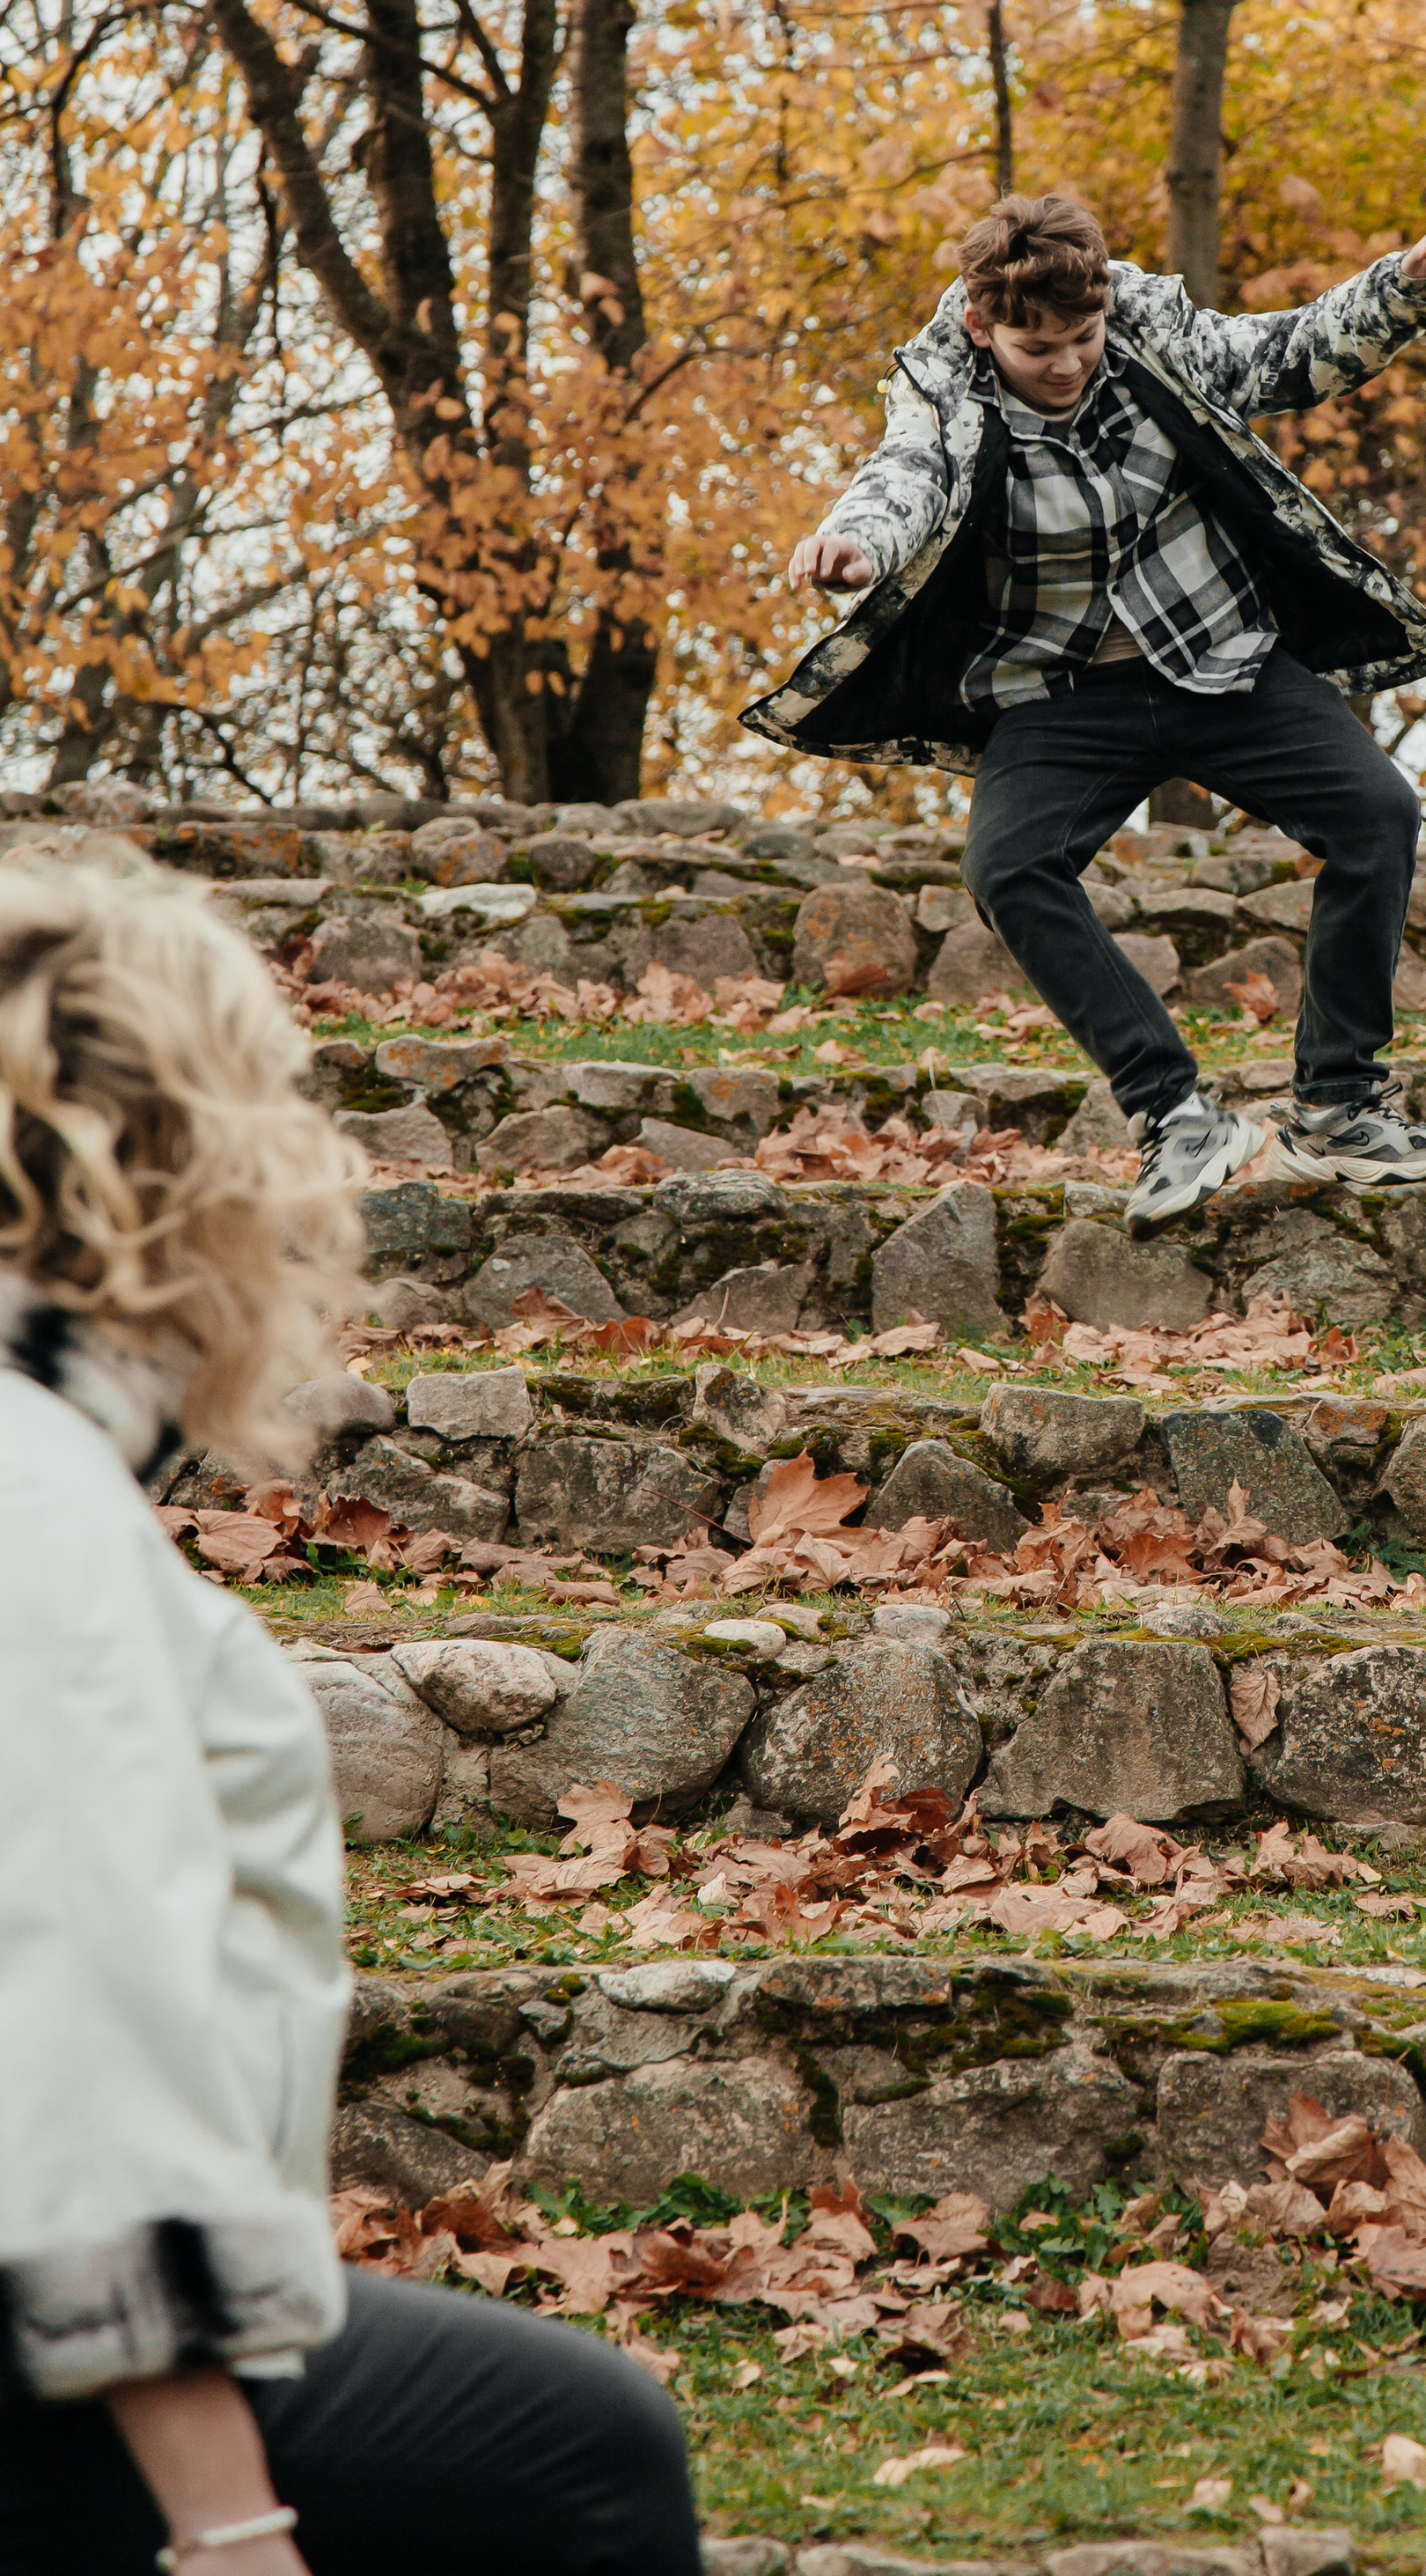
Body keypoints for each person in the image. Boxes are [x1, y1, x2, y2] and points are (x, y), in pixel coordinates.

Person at [0, 854, 702, 2576]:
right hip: (42, 2338)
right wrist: (227, 2522)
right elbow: (73, 2012)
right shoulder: (36, 1490)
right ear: (179, 1158)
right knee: (581, 2452)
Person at [751, 192, 1426, 1230]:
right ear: (982, 326)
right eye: (1035, 345)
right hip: (1058, 688)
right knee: (1006, 865)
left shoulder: (1148, 327)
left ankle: (1338, 1102)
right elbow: (904, 474)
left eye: (1081, 339)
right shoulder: (943, 384)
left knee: (1377, 813)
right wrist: (856, 543)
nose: (1064, 364)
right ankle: (1175, 1113)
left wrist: (1404, 285)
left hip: (1219, 653)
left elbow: (1280, 354)